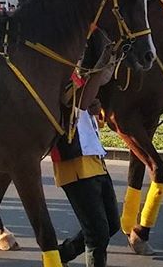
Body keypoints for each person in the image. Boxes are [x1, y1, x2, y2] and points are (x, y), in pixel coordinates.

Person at [53, 99, 119, 267]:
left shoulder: (83, 82)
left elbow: (93, 121)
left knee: (112, 224)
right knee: (97, 234)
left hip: (96, 160)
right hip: (74, 164)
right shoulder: (61, 80)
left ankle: (61, 255)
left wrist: (97, 111)